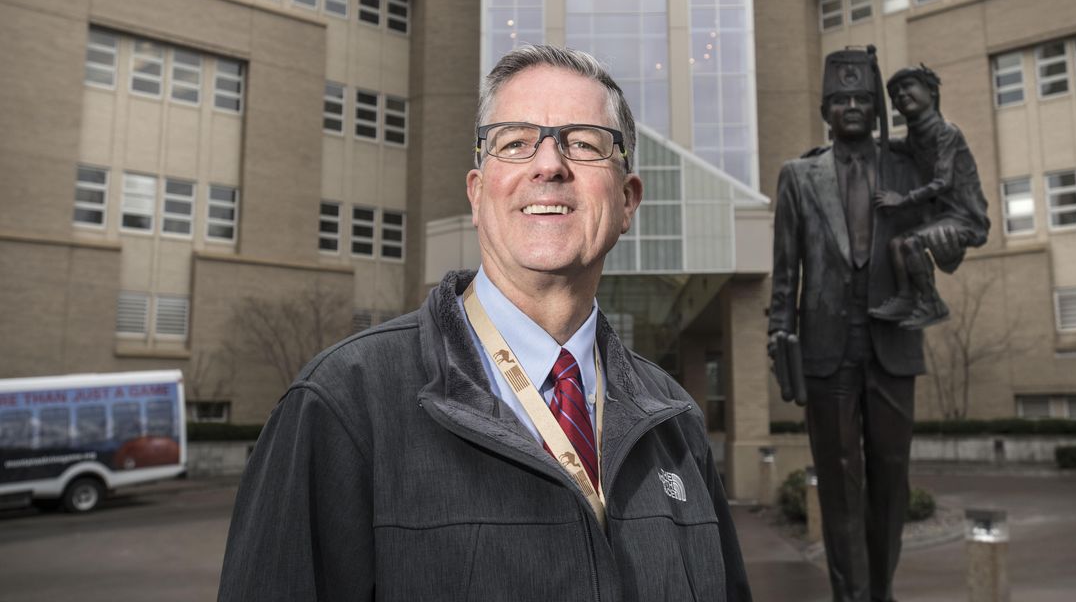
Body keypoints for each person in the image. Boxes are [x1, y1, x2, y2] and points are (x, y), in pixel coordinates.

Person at [218, 44, 751, 601]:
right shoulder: (342, 403)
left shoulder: (676, 422)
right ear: (477, 194)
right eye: (516, 143)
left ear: (626, 201)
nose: (549, 165)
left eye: (585, 144)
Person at [767, 47, 951, 602]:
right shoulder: (799, 176)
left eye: (862, 99)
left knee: (891, 476)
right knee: (841, 481)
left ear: (877, 109)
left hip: (893, 342)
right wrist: (780, 336)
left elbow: (950, 217)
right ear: (825, 108)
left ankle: (882, 590)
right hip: (827, 348)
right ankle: (850, 594)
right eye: (840, 99)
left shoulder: (907, 167)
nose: (851, 107)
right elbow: (785, 268)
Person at [869, 64, 990, 329]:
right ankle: (905, 296)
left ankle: (932, 302)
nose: (900, 95)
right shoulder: (918, 135)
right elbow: (905, 146)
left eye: (907, 87)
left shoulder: (947, 133)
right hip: (945, 216)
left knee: (911, 243)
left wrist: (902, 200)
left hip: (965, 218)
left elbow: (943, 182)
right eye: (894, 93)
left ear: (931, 92)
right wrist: (874, 141)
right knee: (896, 244)